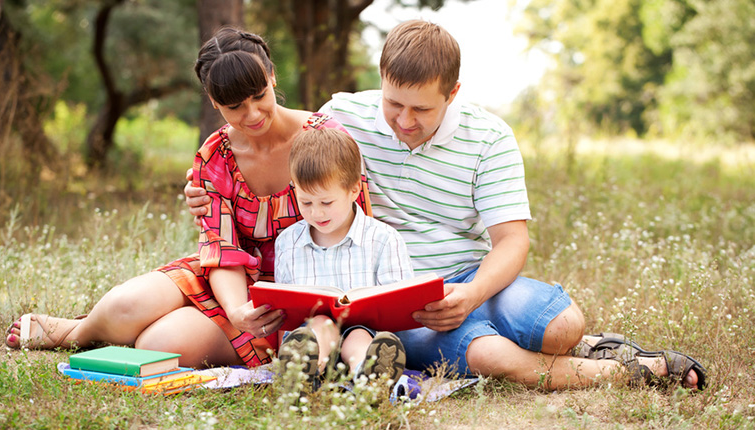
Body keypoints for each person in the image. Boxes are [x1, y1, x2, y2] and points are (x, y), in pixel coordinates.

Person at [185, 20, 706, 390]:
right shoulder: (344, 117)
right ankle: (627, 371)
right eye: (393, 103)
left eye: (421, 109)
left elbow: (512, 240)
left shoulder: (490, 137)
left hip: (468, 275)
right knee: (493, 356)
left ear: (453, 93)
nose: (403, 121)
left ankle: (585, 343)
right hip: (393, 294)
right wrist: (200, 187)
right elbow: (290, 156)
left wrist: (472, 292)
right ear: (380, 81)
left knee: (562, 326)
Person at [4, 27, 372, 369]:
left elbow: (358, 229)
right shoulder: (215, 156)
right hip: (228, 280)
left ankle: (125, 333)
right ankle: (75, 333)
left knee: (159, 342)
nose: (253, 113)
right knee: (125, 304)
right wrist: (237, 309)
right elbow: (222, 249)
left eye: (259, 96)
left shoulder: (324, 141)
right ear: (214, 101)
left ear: (272, 76)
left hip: (295, 293)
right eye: (235, 107)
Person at [274, 127, 411, 386]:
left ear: (353, 190)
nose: (316, 213)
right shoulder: (288, 243)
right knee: (321, 323)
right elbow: (286, 311)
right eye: (306, 202)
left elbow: (399, 309)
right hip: (316, 340)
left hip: (367, 336)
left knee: (359, 335)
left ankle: (368, 375)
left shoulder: (383, 239)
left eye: (326, 203)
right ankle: (302, 371)